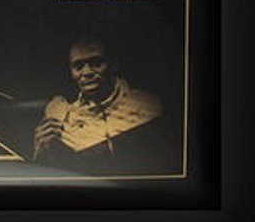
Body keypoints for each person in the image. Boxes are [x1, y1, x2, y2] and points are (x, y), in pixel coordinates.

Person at [32, 36, 167, 172]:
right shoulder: (63, 116)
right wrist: (43, 153)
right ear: (71, 72)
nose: (87, 72)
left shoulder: (147, 105)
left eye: (96, 63)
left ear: (113, 65)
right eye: (78, 66)